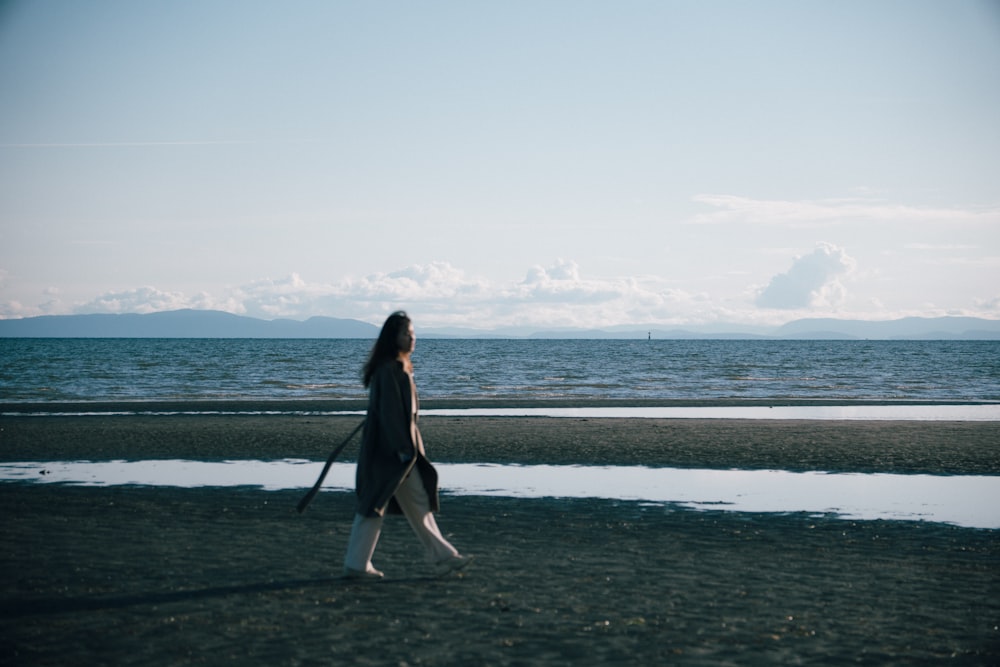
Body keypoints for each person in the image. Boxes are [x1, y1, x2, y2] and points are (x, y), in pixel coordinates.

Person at [342, 311, 471, 580]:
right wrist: (402, 451)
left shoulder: (395, 368)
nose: (412, 339)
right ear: (393, 338)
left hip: (397, 453)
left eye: (413, 334)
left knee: (404, 504)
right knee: (376, 505)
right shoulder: (389, 370)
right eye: (406, 334)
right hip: (392, 454)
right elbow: (391, 416)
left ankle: (443, 556)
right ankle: (358, 565)